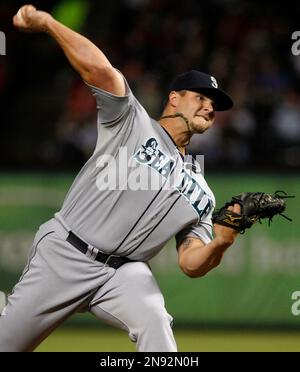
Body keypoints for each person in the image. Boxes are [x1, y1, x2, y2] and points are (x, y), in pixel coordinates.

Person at [0, 5, 240, 352]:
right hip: (67, 252)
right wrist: (48, 23)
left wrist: (221, 242)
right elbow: (99, 69)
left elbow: (190, 263)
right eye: (201, 97)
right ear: (174, 98)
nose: (209, 107)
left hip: (123, 273)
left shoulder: (202, 192)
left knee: (156, 321)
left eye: (214, 105)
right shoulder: (131, 121)